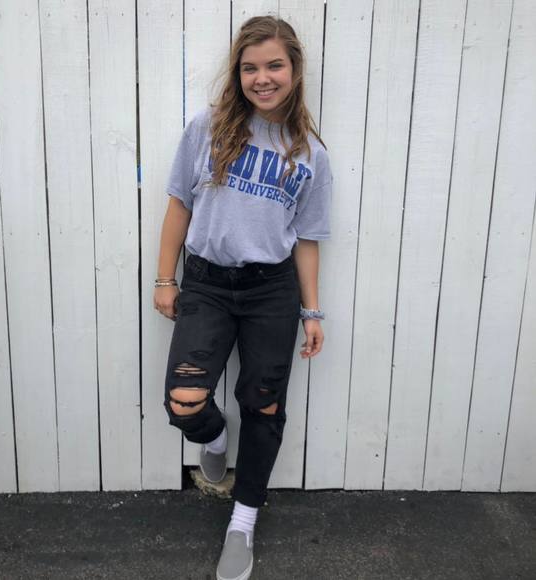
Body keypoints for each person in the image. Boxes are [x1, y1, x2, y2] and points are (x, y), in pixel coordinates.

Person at [153, 15, 332, 580]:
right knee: (184, 401)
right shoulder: (207, 127)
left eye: (274, 65)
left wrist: (311, 311)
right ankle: (215, 436)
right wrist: (165, 279)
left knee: (264, 404)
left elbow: (307, 239)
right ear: (238, 73)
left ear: (294, 70)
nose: (262, 78)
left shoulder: (310, 154)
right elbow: (179, 205)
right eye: (250, 67)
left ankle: (244, 520)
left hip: (271, 291)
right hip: (207, 283)